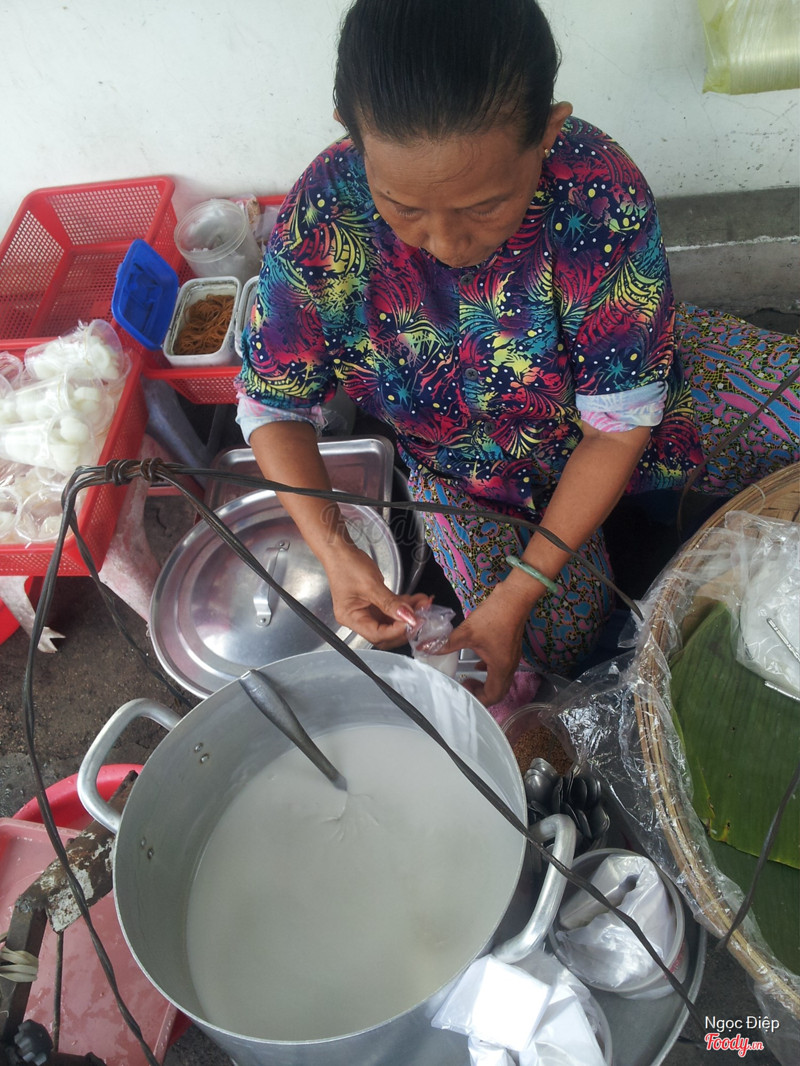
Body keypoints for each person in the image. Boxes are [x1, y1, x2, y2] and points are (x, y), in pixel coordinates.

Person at [236, 0, 799, 710]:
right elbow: (273, 406)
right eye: (403, 207)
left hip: (633, 401)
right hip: (477, 477)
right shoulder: (322, 215)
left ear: (547, 134)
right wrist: (335, 548)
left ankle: (653, 506)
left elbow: (618, 423)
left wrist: (530, 574)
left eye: (484, 207)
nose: (445, 243)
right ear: (356, 143)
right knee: (545, 647)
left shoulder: (597, 189)